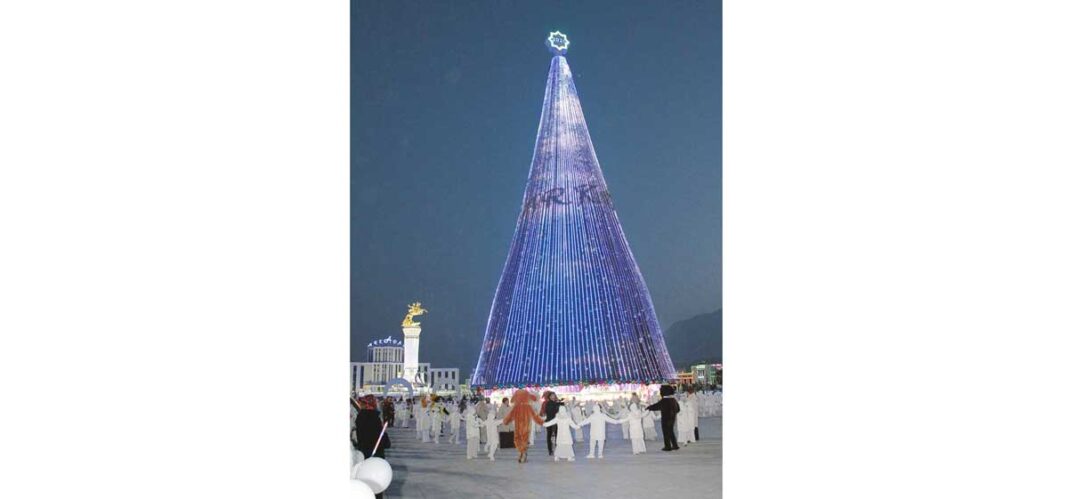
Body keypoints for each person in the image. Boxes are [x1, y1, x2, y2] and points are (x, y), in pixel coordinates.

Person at [501, 389, 544, 463]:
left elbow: (510, 416)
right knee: (524, 440)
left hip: (518, 427)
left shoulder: (516, 407)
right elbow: (535, 416)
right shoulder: (528, 407)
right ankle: (523, 454)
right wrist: (541, 422)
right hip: (525, 427)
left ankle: (521, 454)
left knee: (518, 440)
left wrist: (506, 421)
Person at [646, 385, 680, 451]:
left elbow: (656, 406)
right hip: (672, 418)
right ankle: (675, 445)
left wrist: (649, 408)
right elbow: (678, 409)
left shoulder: (665, 400)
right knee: (670, 431)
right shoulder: (673, 399)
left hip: (666, 418)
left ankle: (667, 446)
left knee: (666, 432)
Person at [355, 395, 388, 459]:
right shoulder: (373, 416)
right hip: (375, 449)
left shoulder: (362, 415)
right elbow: (378, 433)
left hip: (366, 449)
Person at [540, 391, 563, 456]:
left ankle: (557, 448)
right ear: (549, 397)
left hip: (555, 421)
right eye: (552, 396)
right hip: (550, 421)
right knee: (549, 436)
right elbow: (549, 412)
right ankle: (550, 450)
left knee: (557, 435)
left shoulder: (556, 403)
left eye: (554, 395)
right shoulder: (548, 403)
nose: (553, 397)